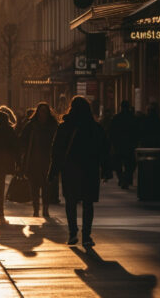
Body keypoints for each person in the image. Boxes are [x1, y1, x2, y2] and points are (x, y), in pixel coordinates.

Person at [49, 96, 109, 248]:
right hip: (90, 169)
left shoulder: (65, 126)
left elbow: (57, 150)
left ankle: (72, 233)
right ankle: (86, 235)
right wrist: (106, 169)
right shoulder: (94, 127)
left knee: (71, 202)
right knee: (88, 203)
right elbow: (104, 150)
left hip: (70, 169)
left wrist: (53, 170)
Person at [18, 102, 59, 217]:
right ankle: (36, 208)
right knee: (34, 188)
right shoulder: (31, 125)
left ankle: (45, 209)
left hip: (48, 162)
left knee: (46, 188)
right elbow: (22, 140)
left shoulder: (53, 126)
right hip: (33, 161)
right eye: (41, 111)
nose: (43, 114)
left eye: (45, 111)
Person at [108, 100, 139, 189]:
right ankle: (126, 178)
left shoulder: (116, 118)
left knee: (118, 164)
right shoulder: (133, 118)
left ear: (120, 107)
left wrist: (112, 143)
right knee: (130, 164)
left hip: (118, 145)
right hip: (130, 145)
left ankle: (122, 178)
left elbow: (111, 132)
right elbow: (137, 132)